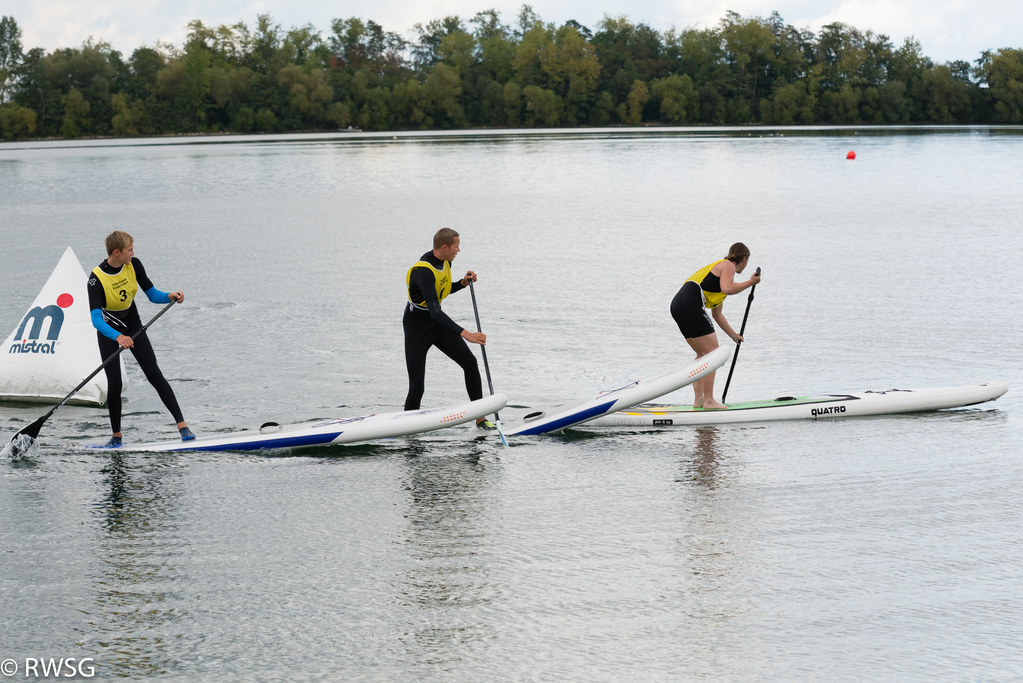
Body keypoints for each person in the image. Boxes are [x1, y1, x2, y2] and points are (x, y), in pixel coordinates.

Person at [88, 231, 193, 447]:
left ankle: (182, 425)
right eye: (129, 250)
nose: (133, 254)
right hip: (109, 330)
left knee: (153, 372)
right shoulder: (95, 279)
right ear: (116, 252)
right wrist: (118, 336)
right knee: (114, 383)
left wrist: (169, 296)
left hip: (133, 325)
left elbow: (152, 293)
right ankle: (116, 436)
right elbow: (96, 319)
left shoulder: (134, 265)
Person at [403, 228, 493, 429]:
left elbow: (441, 290)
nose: (458, 250)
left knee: (470, 362)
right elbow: (434, 310)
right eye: (456, 246)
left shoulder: (445, 262)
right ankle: (406, 429)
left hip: (436, 323)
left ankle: (480, 419)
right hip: (416, 326)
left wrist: (462, 283)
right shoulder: (423, 272)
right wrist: (466, 334)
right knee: (417, 386)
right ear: (444, 247)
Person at [670, 242, 762, 409]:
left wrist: (733, 335)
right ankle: (709, 401)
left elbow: (717, 315)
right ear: (744, 259)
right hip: (689, 302)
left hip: (678, 305)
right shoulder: (728, 265)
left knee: (702, 355)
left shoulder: (718, 279)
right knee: (712, 354)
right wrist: (750, 282)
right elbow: (727, 288)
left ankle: (699, 400)